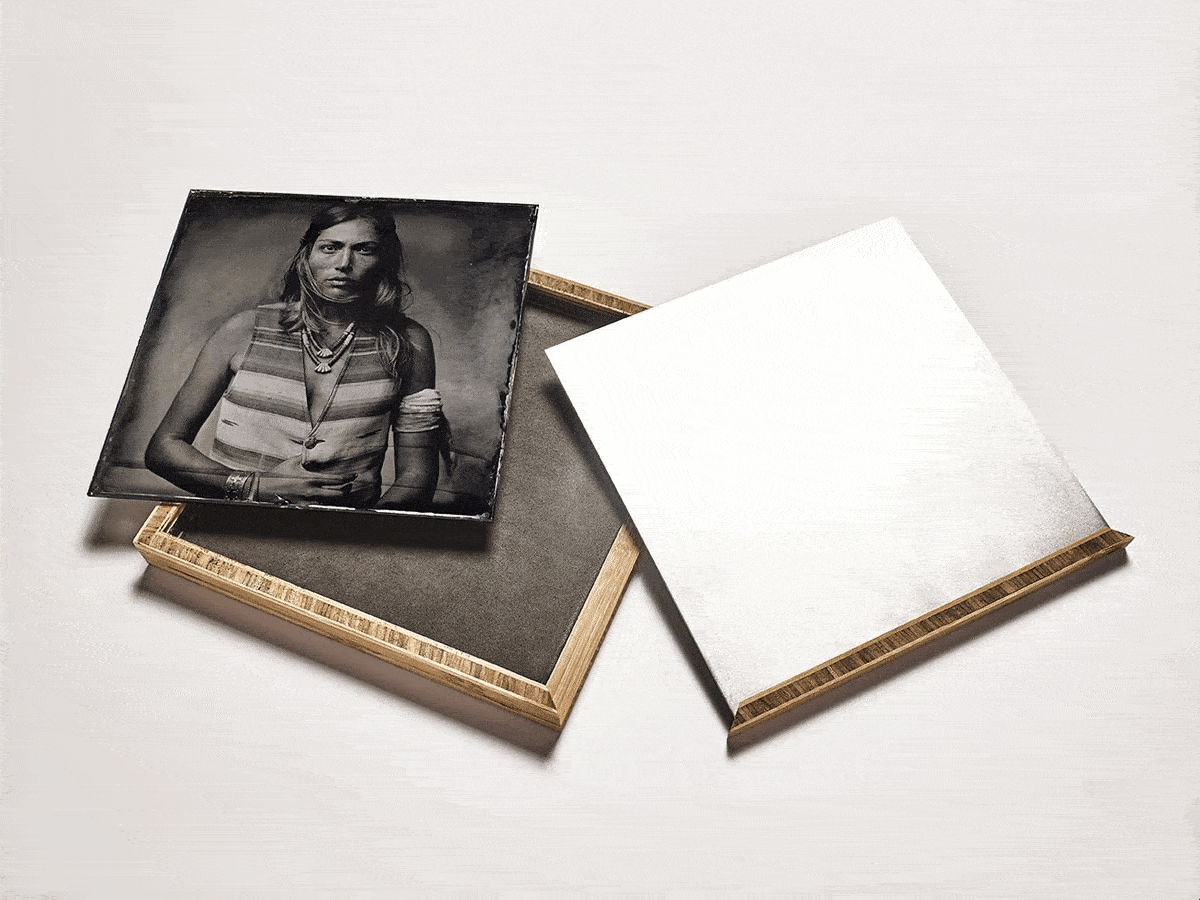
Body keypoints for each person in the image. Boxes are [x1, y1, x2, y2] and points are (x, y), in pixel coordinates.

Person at [146, 201, 447, 510]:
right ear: (307, 256)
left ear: (384, 261)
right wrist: (253, 487)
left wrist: (363, 529)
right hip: (234, 522)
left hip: (345, 534)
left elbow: (417, 478)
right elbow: (164, 447)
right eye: (330, 248)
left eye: (364, 250)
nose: (344, 263)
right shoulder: (244, 329)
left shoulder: (408, 341)